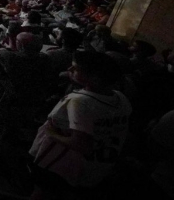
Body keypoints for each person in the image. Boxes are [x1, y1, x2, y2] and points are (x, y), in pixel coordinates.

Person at [28, 51, 131, 197]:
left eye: (75, 68)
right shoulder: (120, 98)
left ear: (94, 78)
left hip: (60, 164)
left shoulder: (80, 101)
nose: (69, 69)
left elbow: (81, 144)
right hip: (97, 164)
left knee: (42, 192)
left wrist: (51, 133)